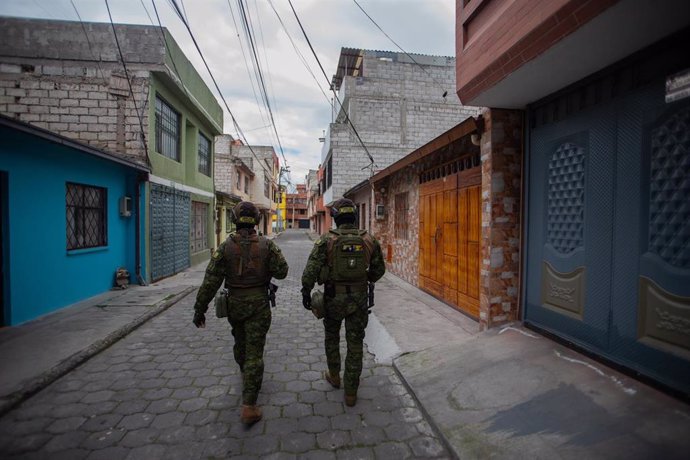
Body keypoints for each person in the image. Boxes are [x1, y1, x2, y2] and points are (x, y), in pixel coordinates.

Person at [192, 201, 288, 424]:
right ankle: (249, 406)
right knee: (256, 351)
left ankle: (247, 376)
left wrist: (200, 309)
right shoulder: (267, 245)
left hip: (234, 304)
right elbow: (282, 272)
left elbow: (210, 282)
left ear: (235, 220)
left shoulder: (225, 247)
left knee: (240, 342)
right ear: (256, 221)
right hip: (259, 305)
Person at [301, 198, 385, 406]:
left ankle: (334, 376)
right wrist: (366, 280)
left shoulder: (326, 240)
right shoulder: (368, 239)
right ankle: (351, 393)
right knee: (355, 344)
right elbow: (379, 269)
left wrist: (306, 292)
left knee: (332, 338)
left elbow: (310, 269)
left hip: (332, 299)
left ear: (336, 217)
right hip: (358, 300)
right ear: (354, 216)